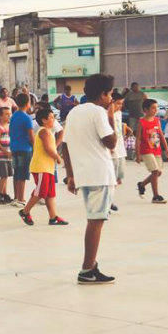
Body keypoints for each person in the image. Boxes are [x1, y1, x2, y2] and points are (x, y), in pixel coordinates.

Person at [60, 73, 118, 284]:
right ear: (103, 94)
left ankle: (91, 266)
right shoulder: (99, 112)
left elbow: (65, 145)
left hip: (84, 174)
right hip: (99, 173)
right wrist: (111, 117)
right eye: (110, 94)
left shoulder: (75, 111)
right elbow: (111, 142)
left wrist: (70, 175)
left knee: (94, 220)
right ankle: (87, 269)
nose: (111, 99)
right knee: (96, 221)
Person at [17, 108, 68, 226]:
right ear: (44, 120)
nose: (53, 119)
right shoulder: (44, 131)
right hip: (41, 166)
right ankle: (25, 212)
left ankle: (53, 217)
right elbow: (48, 148)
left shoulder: (48, 131)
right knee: (41, 191)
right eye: (51, 117)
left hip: (47, 167)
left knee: (50, 193)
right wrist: (57, 157)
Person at [136, 99, 168, 204]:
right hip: (146, 150)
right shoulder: (141, 122)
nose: (155, 110)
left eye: (157, 108)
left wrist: (167, 149)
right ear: (145, 110)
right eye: (153, 108)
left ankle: (142, 184)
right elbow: (138, 139)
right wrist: (137, 154)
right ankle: (156, 196)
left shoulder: (157, 121)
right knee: (155, 171)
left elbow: (161, 135)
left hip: (157, 150)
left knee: (158, 172)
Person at [9, 93, 34, 207]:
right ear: (28, 103)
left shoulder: (13, 116)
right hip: (25, 148)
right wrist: (35, 147)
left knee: (16, 173)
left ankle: (16, 197)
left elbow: (10, 132)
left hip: (14, 147)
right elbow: (31, 136)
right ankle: (21, 198)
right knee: (23, 174)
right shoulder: (27, 118)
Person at [110, 93, 131, 212]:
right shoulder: (105, 115)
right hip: (111, 150)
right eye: (117, 103)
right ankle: (108, 201)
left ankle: (110, 199)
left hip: (120, 149)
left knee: (118, 178)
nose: (119, 106)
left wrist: (125, 129)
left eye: (121, 104)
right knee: (110, 178)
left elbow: (119, 127)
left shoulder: (119, 113)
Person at [0, 107, 13, 204]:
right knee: (3, 175)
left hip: (8, 155)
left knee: (6, 175)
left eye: (9, 114)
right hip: (1, 156)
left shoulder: (9, 126)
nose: (9, 116)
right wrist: (6, 152)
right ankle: (0, 194)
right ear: (0, 116)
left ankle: (5, 194)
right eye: (6, 114)